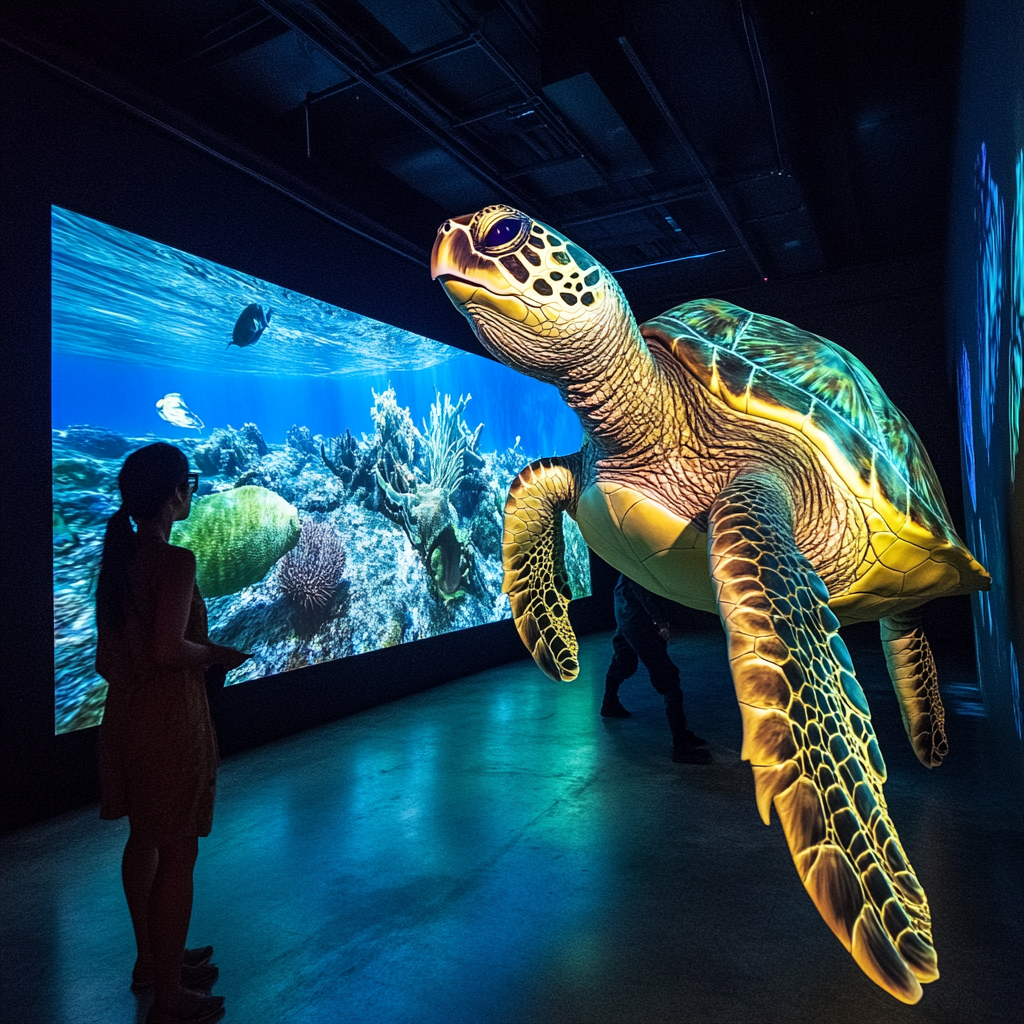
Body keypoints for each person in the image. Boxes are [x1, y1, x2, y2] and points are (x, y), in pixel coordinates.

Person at [95, 443, 249, 1024]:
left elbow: (114, 656)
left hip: (125, 718)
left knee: (144, 839)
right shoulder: (174, 562)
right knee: (179, 849)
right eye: (190, 483)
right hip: (169, 722)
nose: (194, 491)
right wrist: (216, 653)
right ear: (172, 496)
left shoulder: (118, 560)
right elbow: (168, 648)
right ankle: (168, 997)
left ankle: (152, 961)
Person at [601, 575, 711, 765]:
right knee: (668, 677)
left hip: (627, 614)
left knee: (624, 662)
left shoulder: (625, 559)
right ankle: (680, 746)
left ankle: (609, 704)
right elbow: (641, 589)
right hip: (636, 620)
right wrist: (660, 622)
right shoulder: (635, 562)